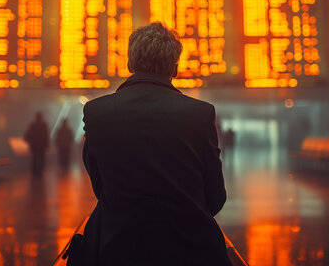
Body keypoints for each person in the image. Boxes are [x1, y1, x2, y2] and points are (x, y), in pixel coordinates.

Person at [77, 22, 231, 265]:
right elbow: (215, 198)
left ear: (129, 64)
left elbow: (102, 190)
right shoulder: (199, 114)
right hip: (190, 252)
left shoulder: (97, 112)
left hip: (116, 250)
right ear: (175, 67)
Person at [23, 112, 49, 176]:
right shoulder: (44, 125)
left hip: (34, 145)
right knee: (41, 158)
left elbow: (28, 134)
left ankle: (34, 170)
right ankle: (40, 170)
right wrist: (46, 144)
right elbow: (46, 135)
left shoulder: (33, 125)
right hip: (41, 145)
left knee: (34, 157)